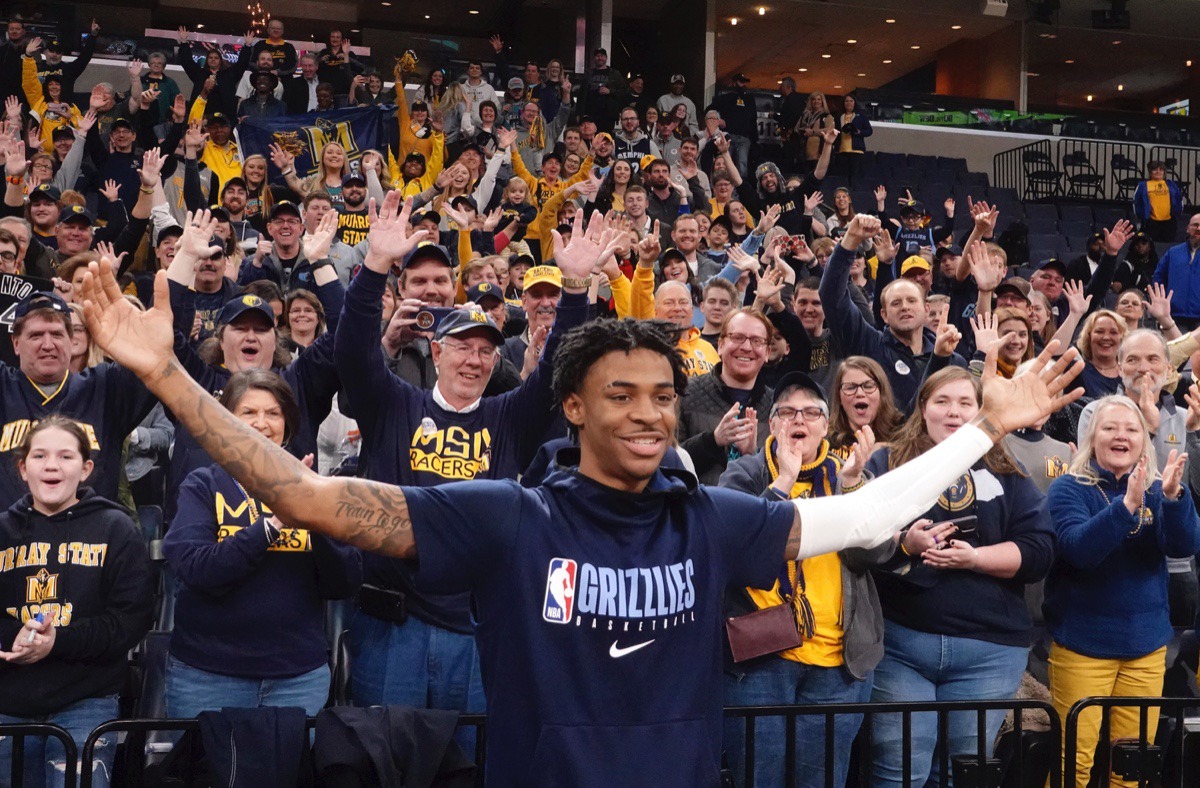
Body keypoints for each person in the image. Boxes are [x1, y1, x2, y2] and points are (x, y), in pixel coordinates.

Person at [79, 189, 1085, 788]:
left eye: (662, 394)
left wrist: (989, 428)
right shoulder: (508, 514)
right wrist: (166, 376)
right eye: (624, 395)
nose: (652, 412)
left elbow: (866, 513)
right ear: (571, 409)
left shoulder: (712, 516)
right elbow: (304, 495)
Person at [865, 367, 1057, 788]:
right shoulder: (885, 463)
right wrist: (904, 543)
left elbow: (1039, 549)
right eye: (943, 401)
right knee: (898, 771)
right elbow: (859, 539)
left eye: (965, 403)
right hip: (900, 645)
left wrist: (976, 558)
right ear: (922, 409)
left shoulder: (1008, 469)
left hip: (987, 652)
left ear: (980, 410)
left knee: (961, 776)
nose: (954, 413)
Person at [720, 371, 886, 788]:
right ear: (772, 424)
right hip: (761, 662)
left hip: (837, 665)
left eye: (811, 412)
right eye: (788, 411)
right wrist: (783, 483)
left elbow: (876, 554)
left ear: (826, 426)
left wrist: (852, 490)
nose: (800, 419)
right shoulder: (744, 475)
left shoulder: (850, 474)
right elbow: (732, 548)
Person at [164, 370, 360, 718]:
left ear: (288, 422)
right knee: (209, 774)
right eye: (248, 412)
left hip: (297, 678)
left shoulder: (316, 489)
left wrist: (312, 515)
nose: (262, 423)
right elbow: (196, 569)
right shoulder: (203, 484)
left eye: (273, 413)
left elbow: (342, 582)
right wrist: (274, 523)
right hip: (208, 676)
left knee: (288, 774)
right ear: (226, 421)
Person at [1045, 395, 1200, 788]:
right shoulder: (1068, 488)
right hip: (1083, 647)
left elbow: (1183, 546)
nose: (1121, 436)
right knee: (1073, 766)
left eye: (1131, 429)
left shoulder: (1158, 488)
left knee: (1132, 769)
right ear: (1091, 437)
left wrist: (1172, 499)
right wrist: (1126, 505)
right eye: (1110, 427)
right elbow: (1080, 549)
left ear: (1143, 441)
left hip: (1145, 649)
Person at [0, 415, 152, 788]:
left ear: (85, 469)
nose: (52, 465)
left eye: (66, 456)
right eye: (39, 456)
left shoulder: (117, 529)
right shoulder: (2, 530)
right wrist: (12, 636)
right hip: (7, 703)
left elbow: (132, 619)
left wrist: (57, 643)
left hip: (87, 703)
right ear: (23, 468)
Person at [0, 290, 156, 508]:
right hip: (10, 539)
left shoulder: (105, 388)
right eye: (36, 335)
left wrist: (186, 258)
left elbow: (160, 347)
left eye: (56, 334)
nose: (47, 345)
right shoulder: (4, 386)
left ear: (71, 340)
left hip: (92, 539)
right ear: (16, 343)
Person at [820, 215, 966, 410]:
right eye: (896, 303)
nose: (905, 306)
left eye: (912, 301)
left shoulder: (952, 360)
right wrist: (851, 240)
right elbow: (831, 296)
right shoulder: (869, 344)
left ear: (926, 310)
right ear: (884, 315)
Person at [677, 308, 775, 485]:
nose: (746, 347)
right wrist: (712, 441)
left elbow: (784, 476)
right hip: (697, 508)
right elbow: (668, 462)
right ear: (720, 345)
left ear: (767, 352)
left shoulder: (777, 406)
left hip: (755, 510)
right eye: (737, 337)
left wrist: (753, 455)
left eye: (756, 341)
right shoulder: (686, 394)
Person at [827, 356, 903, 459]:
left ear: (882, 393)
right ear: (839, 397)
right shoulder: (826, 443)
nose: (860, 393)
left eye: (868, 386)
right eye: (850, 387)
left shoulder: (901, 432)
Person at [1152, 212, 1200, 331]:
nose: (1199, 228)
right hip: (1174, 318)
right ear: (1188, 229)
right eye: (1195, 225)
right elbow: (1158, 279)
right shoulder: (1173, 253)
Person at [705, 74, 757, 179]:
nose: (742, 84)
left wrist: (755, 140)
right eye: (740, 82)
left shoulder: (750, 99)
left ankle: (741, 191)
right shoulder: (725, 98)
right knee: (725, 163)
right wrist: (717, 121)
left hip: (744, 138)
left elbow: (753, 120)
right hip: (728, 136)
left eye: (744, 82)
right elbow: (708, 111)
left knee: (742, 167)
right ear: (734, 82)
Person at [1133, 161, 1185, 244]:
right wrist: (1141, 217)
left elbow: (1179, 199)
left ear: (1164, 172)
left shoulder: (1171, 184)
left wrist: (1177, 213)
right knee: (1153, 245)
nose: (1158, 172)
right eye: (1155, 170)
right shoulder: (1143, 185)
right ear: (1150, 172)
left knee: (1168, 245)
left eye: (1161, 169)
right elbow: (1137, 202)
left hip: (1169, 220)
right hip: (1151, 221)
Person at [830, 94, 872, 181]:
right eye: (846, 101)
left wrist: (859, 132)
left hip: (856, 151)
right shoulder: (839, 116)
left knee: (854, 177)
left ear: (854, 103)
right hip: (841, 150)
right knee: (842, 177)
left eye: (851, 101)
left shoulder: (861, 116)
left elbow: (869, 131)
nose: (848, 103)